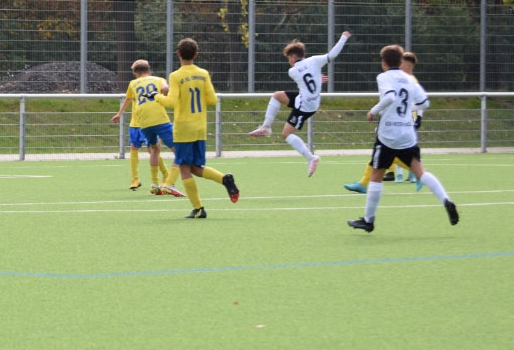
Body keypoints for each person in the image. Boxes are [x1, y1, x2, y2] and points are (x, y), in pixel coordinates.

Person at [347, 45, 458, 233]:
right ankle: (446, 199)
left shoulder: (383, 77)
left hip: (388, 135)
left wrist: (373, 111)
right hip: (407, 133)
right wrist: (406, 108)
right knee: (420, 171)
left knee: (376, 175)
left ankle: (368, 220)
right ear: (400, 61)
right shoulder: (409, 79)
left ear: (384, 62)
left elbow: (390, 97)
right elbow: (424, 103)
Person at [156, 38, 240, 218]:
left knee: (184, 168)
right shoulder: (203, 73)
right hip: (200, 127)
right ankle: (224, 179)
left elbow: (170, 102)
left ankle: (199, 208)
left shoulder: (175, 76)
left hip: (184, 128)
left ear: (178, 54)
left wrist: (158, 95)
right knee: (195, 167)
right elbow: (213, 100)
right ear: (196, 55)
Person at [249, 31, 351, 176]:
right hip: (311, 100)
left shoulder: (293, 71)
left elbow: (304, 77)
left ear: (293, 56)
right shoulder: (315, 60)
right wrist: (343, 38)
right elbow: (332, 55)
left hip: (305, 106)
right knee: (277, 96)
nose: (289, 61)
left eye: (288, 58)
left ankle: (311, 157)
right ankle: (266, 127)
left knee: (286, 134)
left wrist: (316, 77)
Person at [344, 50, 423, 192]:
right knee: (381, 154)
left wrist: (418, 117)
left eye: (404, 64)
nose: (400, 66)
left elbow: (420, 101)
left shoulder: (410, 80)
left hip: (402, 123)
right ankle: (364, 184)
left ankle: (418, 173)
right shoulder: (397, 78)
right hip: (392, 121)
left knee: (385, 153)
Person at [116, 60, 185, 196]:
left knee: (154, 148)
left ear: (136, 73)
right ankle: (169, 183)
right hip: (159, 119)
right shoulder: (158, 80)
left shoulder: (133, 83)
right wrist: (165, 96)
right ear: (149, 70)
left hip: (143, 121)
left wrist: (119, 114)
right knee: (180, 151)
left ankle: (154, 184)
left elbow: (129, 98)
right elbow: (165, 89)